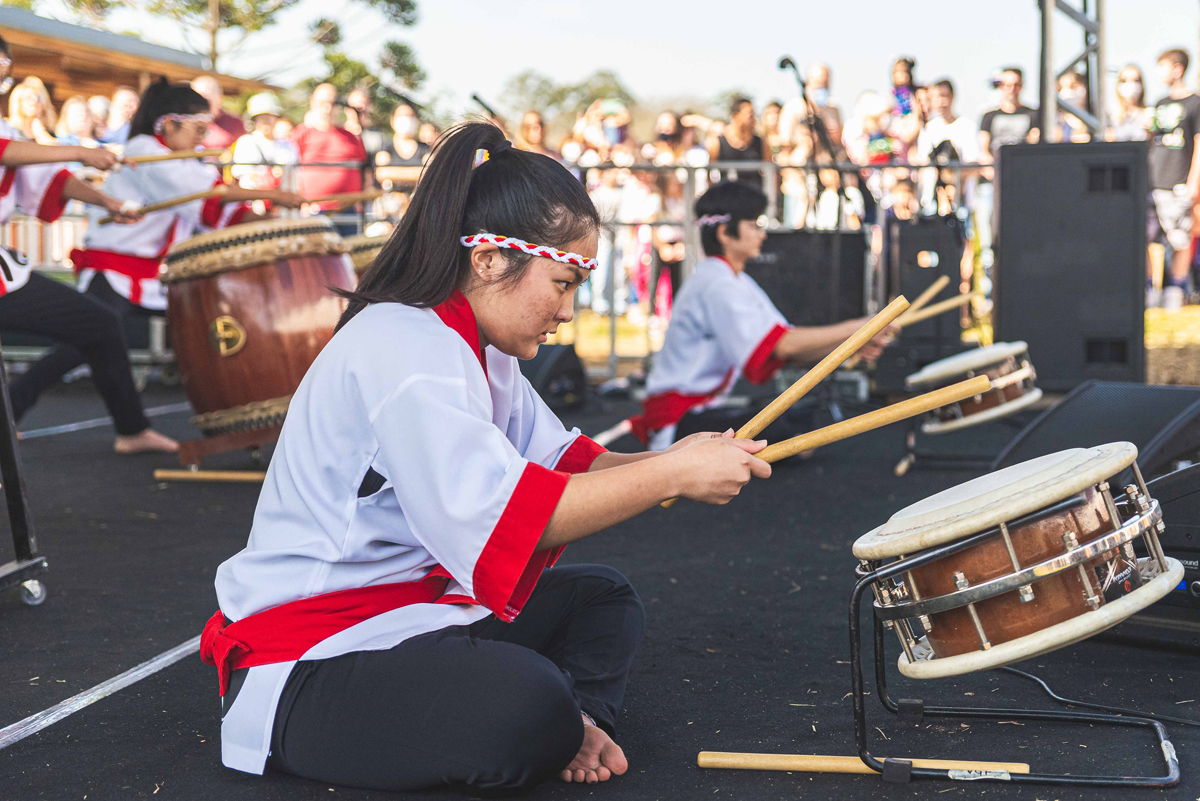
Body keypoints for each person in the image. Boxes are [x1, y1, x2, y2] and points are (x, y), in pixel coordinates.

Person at [199, 121, 772, 793]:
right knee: (525, 704)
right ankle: (558, 719)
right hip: (314, 654)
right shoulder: (409, 345)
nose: (566, 308)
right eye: (562, 283)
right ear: (491, 259)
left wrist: (685, 455)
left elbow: (567, 465)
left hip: (414, 613)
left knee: (603, 598)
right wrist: (672, 472)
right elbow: (506, 519)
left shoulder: (483, 348)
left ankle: (575, 723)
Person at [16, 80, 306, 413]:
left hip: (159, 272)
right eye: (198, 129)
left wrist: (279, 225)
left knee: (207, 331)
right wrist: (275, 196)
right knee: (85, 341)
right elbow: (210, 195)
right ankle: (15, 402)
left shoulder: (187, 158)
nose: (203, 139)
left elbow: (220, 210)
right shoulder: (143, 150)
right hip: (116, 266)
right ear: (170, 123)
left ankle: (184, 418)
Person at [0, 36, 177, 453]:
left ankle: (132, 429)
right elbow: (8, 154)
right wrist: (81, 150)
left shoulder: (7, 129)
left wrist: (109, 202)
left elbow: (48, 180)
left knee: (97, 323)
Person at [622, 181, 891, 450]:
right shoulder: (717, 284)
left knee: (798, 422)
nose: (762, 234)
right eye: (754, 225)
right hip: (680, 424)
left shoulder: (735, 280)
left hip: (701, 410)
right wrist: (862, 328)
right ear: (726, 233)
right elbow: (784, 345)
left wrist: (854, 343)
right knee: (790, 430)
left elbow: (786, 350)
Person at [1148, 48, 1200, 308]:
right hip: (1155, 180)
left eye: (1163, 66)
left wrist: (1193, 180)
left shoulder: (1195, 103)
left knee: (1179, 237)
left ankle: (1175, 290)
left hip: (1179, 181)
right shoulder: (1160, 103)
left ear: (1177, 69)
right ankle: (1151, 289)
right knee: (1149, 237)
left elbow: (1199, 143)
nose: (1159, 73)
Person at [292, 83, 368, 234]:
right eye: (322, 103)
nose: (327, 108)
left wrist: (361, 201)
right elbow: (291, 170)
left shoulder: (351, 137)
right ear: (312, 103)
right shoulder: (301, 133)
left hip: (348, 211)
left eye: (332, 103)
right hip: (313, 211)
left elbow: (364, 170)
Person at [979, 67, 1039, 160]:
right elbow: (984, 151)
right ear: (1001, 86)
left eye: (1016, 85)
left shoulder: (1033, 114)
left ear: (1021, 86)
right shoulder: (989, 116)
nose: (1012, 89)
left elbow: (1034, 145)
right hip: (996, 167)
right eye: (1008, 85)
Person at [231, 92, 287, 191]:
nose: (266, 121)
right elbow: (240, 173)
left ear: (277, 118)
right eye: (262, 117)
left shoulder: (288, 146)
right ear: (254, 119)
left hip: (283, 202)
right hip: (252, 201)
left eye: (269, 117)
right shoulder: (245, 142)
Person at [708, 97, 768, 185]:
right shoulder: (717, 143)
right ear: (736, 115)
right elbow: (709, 173)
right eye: (750, 115)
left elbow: (769, 171)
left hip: (753, 196)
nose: (753, 119)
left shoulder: (761, 143)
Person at [190, 75, 246, 150]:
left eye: (206, 98)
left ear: (220, 98)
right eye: (197, 99)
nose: (202, 103)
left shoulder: (235, 124)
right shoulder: (186, 125)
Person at [7, 77, 57, 144]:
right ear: (18, 102)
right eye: (28, 98)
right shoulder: (9, 131)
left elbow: (55, 150)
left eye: (38, 99)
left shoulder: (49, 133)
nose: (34, 102)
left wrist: (40, 133)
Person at [1109, 64, 1151, 142]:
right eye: (1124, 80)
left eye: (1136, 80)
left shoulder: (1148, 114)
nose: (1131, 84)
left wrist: (1151, 132)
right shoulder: (1110, 115)